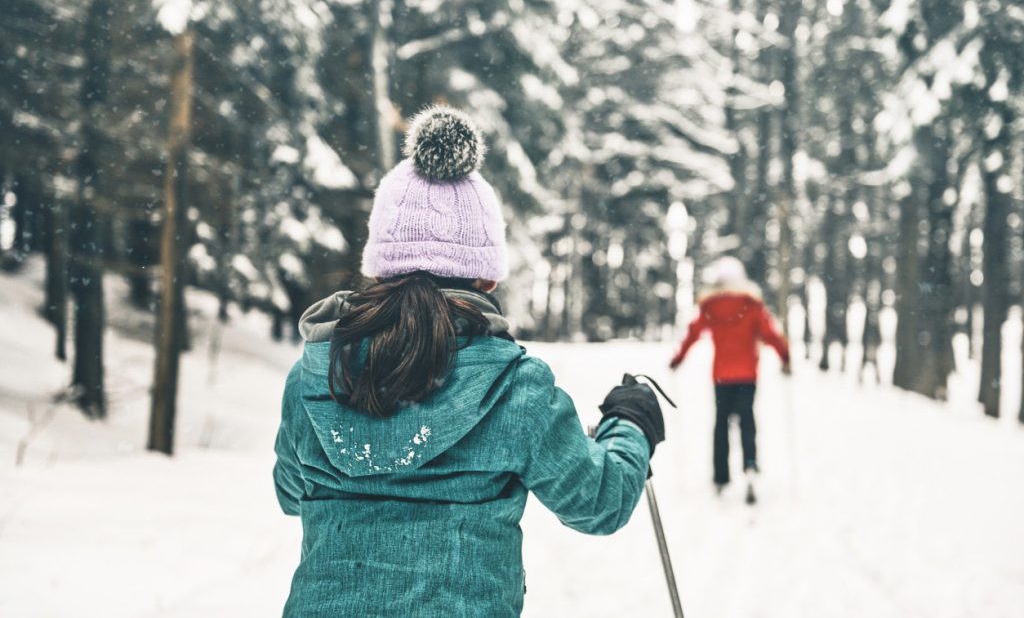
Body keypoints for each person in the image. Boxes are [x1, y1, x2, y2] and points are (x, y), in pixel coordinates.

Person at [273, 106, 666, 617]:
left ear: (379, 266)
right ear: (486, 278)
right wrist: (630, 424)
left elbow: (289, 492)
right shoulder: (515, 387)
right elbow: (599, 502)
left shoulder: (318, 372)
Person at [668, 256, 789, 503]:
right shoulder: (753, 305)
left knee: (721, 425)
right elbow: (771, 333)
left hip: (722, 376)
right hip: (747, 375)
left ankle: (721, 479)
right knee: (747, 422)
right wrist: (786, 357)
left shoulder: (710, 306)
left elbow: (693, 333)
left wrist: (678, 359)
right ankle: (750, 467)